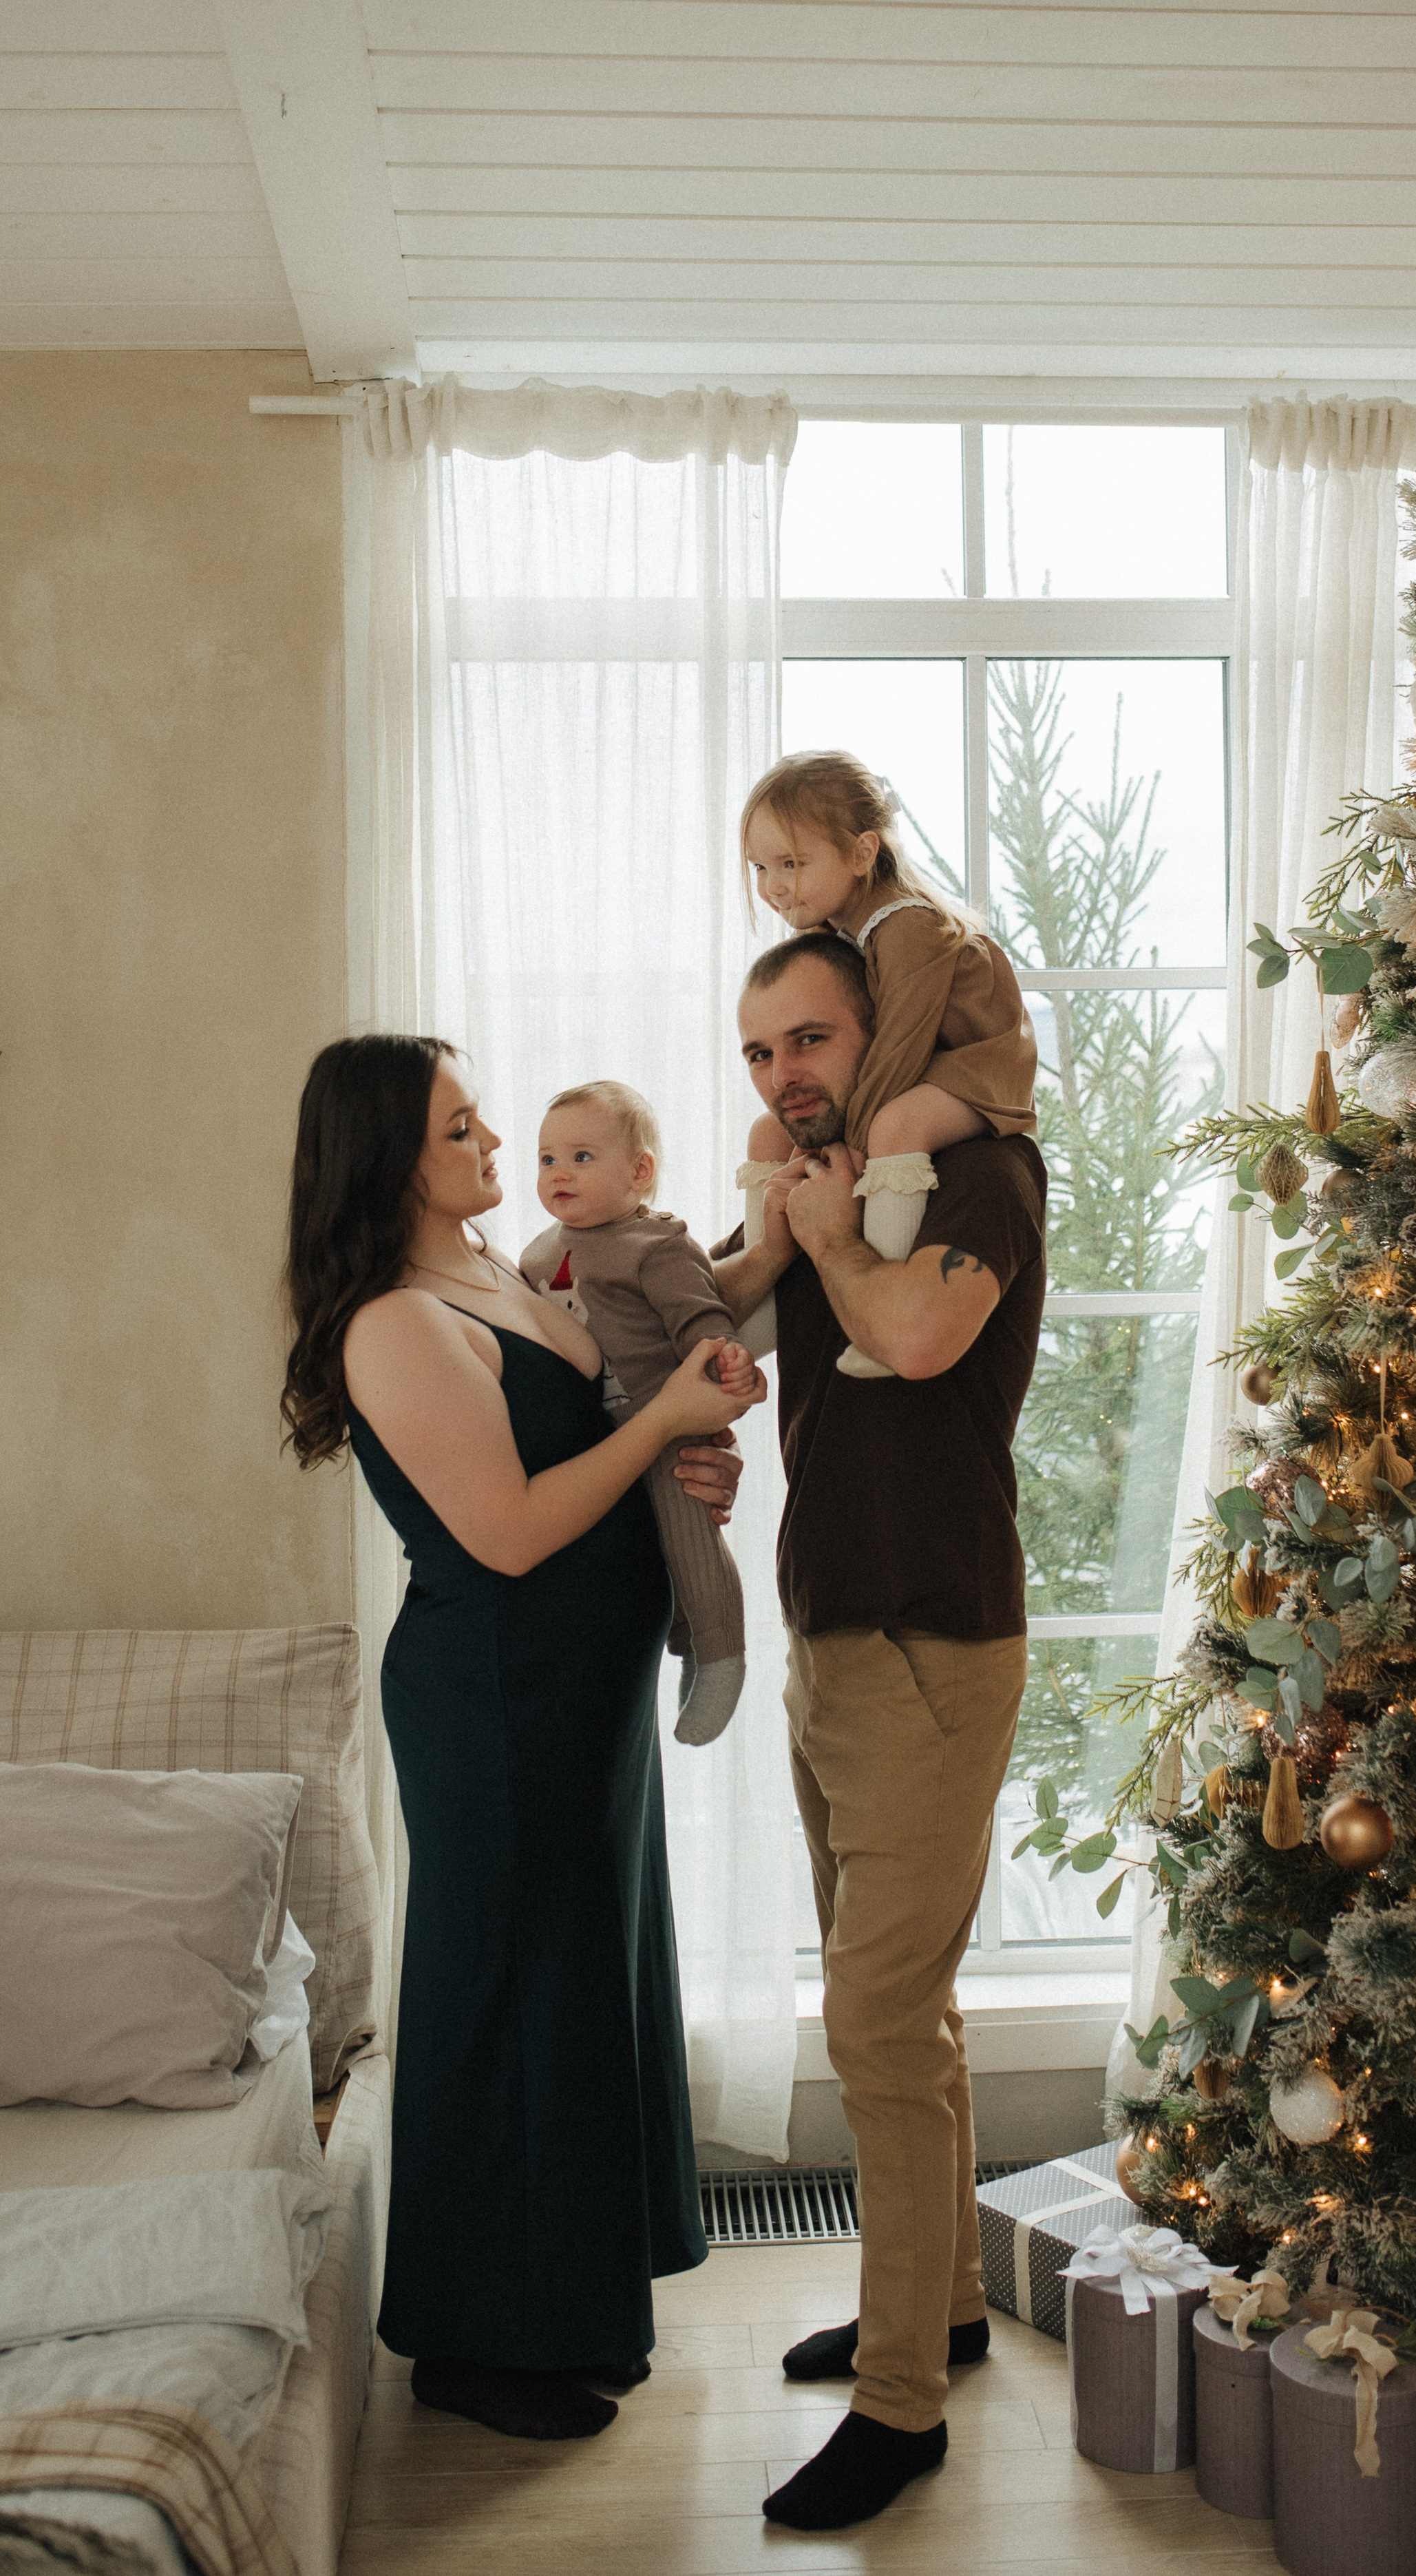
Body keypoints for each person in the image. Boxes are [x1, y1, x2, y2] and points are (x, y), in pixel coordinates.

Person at [280, 1035, 762, 2442]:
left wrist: (686, 1455)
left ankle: (561, 2310)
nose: (495, 1143)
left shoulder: (511, 1270)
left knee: (575, 1982)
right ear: (388, 1161)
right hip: (498, 1690)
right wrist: (664, 1417)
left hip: (579, 1690)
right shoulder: (392, 1320)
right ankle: (473, 2339)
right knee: (505, 1995)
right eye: (458, 1128)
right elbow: (503, 1531)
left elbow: (595, 1442)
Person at [713, 933, 1048, 2531]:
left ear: (881, 1030)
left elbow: (914, 1338)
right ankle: (949, 2304)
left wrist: (828, 1233)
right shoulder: (813, 1181)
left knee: (869, 2032)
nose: (786, 1073)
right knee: (907, 2015)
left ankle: (900, 2404)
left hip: (928, 1643)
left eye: (810, 1037)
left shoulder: (976, 1170)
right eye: (759, 1049)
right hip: (833, 1643)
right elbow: (719, 1326)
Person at [735, 749, 1037, 1379]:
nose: (774, 885)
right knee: (767, 1131)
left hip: (976, 1070)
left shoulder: (905, 925)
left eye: (791, 863)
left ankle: (880, 1290)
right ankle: (767, 1307)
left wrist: (854, 1156)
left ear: (862, 852)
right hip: (926, 1069)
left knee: (895, 1126)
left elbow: (897, 1046)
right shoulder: (838, 932)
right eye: (761, 867)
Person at [520, 1078, 747, 1746]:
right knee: (642, 1562)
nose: (559, 1173)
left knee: (688, 1539)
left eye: (582, 1158)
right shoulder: (535, 1255)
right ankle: (684, 1647)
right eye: (547, 1159)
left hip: (668, 1429)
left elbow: (703, 1319)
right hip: (592, 1445)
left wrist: (726, 1363)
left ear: (639, 1171)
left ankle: (721, 1656)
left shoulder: (656, 1245)